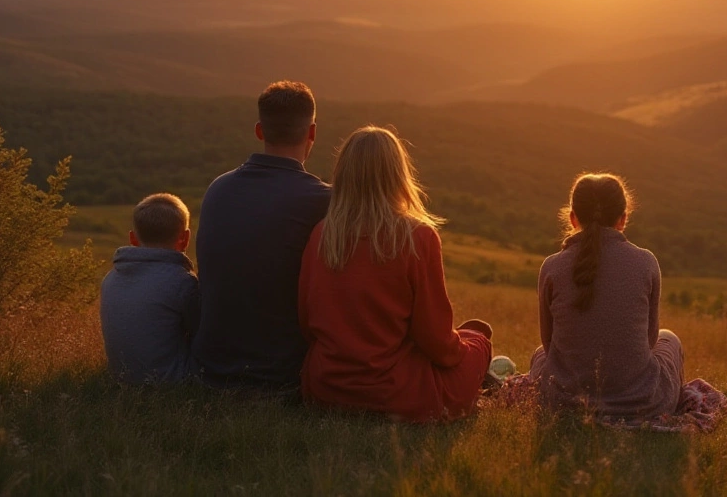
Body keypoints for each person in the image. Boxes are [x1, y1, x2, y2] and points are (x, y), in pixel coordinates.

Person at [298, 126, 492, 422]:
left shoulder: (321, 235)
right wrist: (465, 351)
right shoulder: (418, 237)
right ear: (398, 175)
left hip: (325, 386)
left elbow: (307, 322)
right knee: (479, 342)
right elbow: (435, 341)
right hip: (393, 392)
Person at [193, 81, 331, 390]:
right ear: (312, 133)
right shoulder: (324, 201)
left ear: (259, 130)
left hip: (210, 370)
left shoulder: (219, 189)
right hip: (283, 377)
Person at [528, 173, 684, 419]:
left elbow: (549, 345)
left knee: (538, 354)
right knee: (669, 339)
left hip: (562, 403)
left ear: (572, 218)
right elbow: (650, 340)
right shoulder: (646, 263)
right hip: (643, 403)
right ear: (623, 219)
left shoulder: (551, 267)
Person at [99, 193, 200, 384]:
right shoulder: (182, 282)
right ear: (185, 239)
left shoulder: (110, 278)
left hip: (122, 379)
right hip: (174, 382)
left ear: (133, 239)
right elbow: (201, 332)